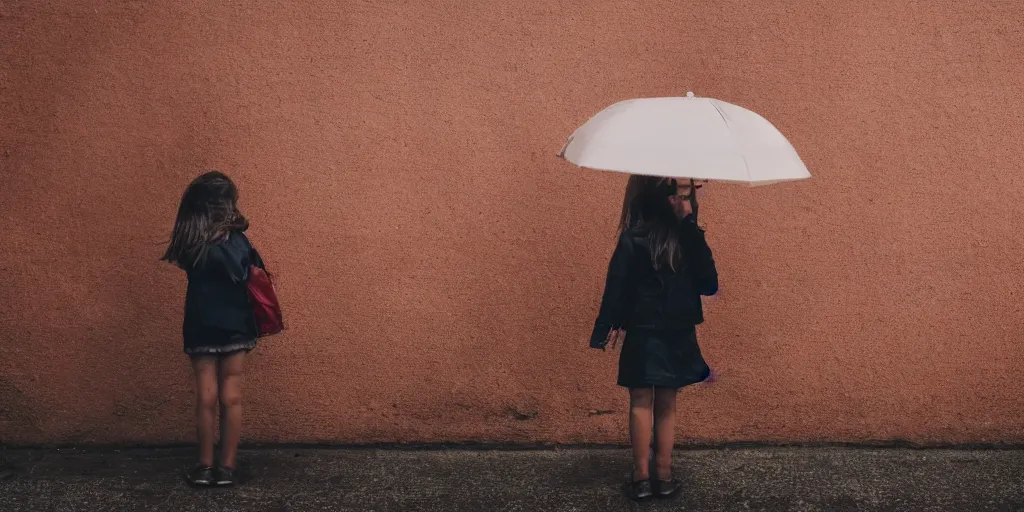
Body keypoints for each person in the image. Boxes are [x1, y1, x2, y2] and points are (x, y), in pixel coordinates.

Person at [590, 176, 719, 501]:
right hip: (676, 331)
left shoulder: (633, 238)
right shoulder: (686, 239)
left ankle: (641, 477)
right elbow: (709, 283)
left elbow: (618, 286)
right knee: (666, 403)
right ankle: (663, 474)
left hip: (643, 329)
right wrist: (689, 223)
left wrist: (609, 326)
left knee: (640, 402)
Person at [162, 171, 266, 487]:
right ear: (228, 204)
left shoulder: (189, 242)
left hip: (200, 323)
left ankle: (205, 467)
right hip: (236, 325)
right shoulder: (239, 241)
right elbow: (255, 271)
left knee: (205, 396)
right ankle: (228, 468)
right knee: (231, 394)